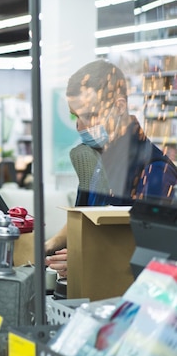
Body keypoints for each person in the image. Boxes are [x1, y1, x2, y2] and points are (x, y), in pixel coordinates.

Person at [45, 59, 177, 277]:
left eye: (88, 115)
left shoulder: (154, 172)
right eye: (75, 116)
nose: (79, 126)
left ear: (119, 107)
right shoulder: (97, 164)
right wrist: (48, 246)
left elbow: (156, 257)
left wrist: (86, 261)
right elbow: (83, 218)